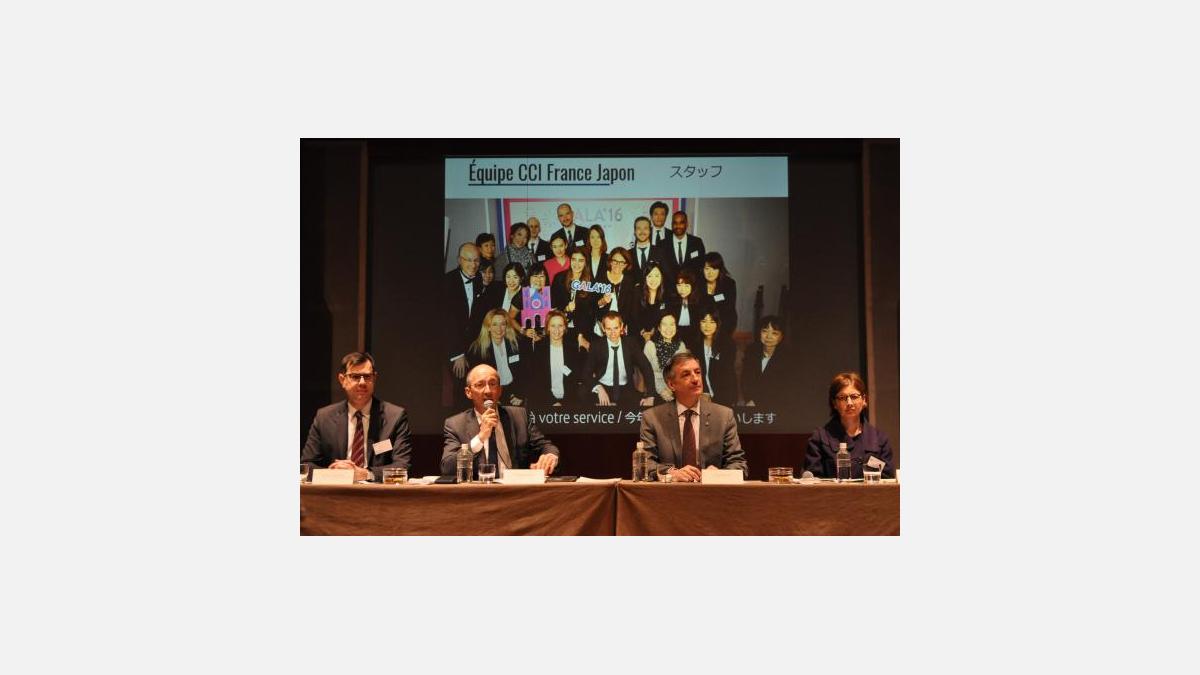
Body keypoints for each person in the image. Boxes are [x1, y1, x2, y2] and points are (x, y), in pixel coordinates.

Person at [302, 352, 413, 482]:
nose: (362, 382)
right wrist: (335, 474)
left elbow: (403, 466)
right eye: (355, 376)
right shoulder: (324, 417)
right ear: (342, 380)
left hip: (377, 491)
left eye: (367, 376)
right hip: (335, 490)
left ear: (374, 378)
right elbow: (306, 465)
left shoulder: (394, 417)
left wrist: (366, 474)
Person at [639, 352, 747, 481]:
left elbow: (739, 465)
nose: (695, 379)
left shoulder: (723, 416)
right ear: (671, 385)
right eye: (686, 374)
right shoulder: (652, 418)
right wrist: (671, 473)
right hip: (670, 491)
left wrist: (718, 474)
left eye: (697, 372)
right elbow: (645, 464)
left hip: (711, 491)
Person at [441, 364, 560, 477]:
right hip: (478, 489)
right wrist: (480, 438)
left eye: (492, 384)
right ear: (468, 392)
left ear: (500, 390)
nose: (488, 391)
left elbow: (545, 446)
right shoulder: (455, 424)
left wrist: (550, 456)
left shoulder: (519, 416)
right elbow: (447, 468)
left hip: (515, 488)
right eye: (480, 385)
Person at [805, 372, 895, 478]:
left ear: (864, 400)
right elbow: (812, 480)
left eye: (854, 396)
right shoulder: (819, 438)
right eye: (842, 398)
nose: (849, 403)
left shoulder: (880, 439)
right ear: (834, 403)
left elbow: (887, 480)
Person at [586, 311, 654, 407]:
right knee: (583, 396)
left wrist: (650, 395)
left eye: (616, 328)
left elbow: (646, 367)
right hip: (603, 386)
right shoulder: (596, 345)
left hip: (626, 388)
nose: (613, 333)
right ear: (603, 328)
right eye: (609, 329)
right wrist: (598, 388)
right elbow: (586, 373)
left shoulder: (631, 343)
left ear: (621, 326)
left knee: (641, 409)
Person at [444, 242, 488, 381]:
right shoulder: (447, 282)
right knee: (460, 386)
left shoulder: (479, 279)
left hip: (474, 346)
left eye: (476, 260)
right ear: (459, 260)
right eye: (468, 260)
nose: (473, 265)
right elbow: (447, 322)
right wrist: (458, 354)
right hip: (455, 347)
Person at [466, 308, 528, 406]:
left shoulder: (517, 344)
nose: (499, 329)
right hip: (491, 394)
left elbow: (525, 372)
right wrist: (490, 399)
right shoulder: (477, 350)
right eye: (494, 324)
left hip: (515, 393)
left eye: (502, 324)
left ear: (507, 326)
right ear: (488, 327)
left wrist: (521, 394)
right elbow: (476, 381)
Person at [526, 310, 585, 406]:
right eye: (553, 326)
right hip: (545, 400)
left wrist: (564, 403)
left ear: (565, 327)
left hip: (568, 401)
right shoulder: (539, 349)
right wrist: (553, 402)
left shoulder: (572, 349)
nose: (557, 330)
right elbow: (538, 381)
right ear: (548, 328)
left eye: (560, 325)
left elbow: (575, 378)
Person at [740, 315, 791, 409]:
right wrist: (750, 400)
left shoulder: (788, 357)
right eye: (765, 331)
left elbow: (782, 388)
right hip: (750, 403)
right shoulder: (751, 351)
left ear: (781, 337)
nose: (768, 336)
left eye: (774, 333)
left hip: (777, 405)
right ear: (759, 333)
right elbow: (746, 380)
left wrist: (757, 401)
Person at [687, 309, 736, 406]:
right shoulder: (695, 344)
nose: (707, 326)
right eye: (704, 321)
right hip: (701, 393)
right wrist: (704, 392)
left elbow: (727, 376)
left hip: (723, 394)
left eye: (712, 322)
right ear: (699, 323)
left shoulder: (727, 344)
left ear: (718, 324)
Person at [551, 249, 594, 352]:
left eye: (581, 260)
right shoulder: (559, 278)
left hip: (583, 330)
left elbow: (590, 313)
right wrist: (566, 308)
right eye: (574, 259)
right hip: (561, 328)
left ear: (586, 263)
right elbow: (553, 306)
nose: (576, 264)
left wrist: (580, 335)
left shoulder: (591, 282)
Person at [593, 246, 639, 339]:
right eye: (615, 261)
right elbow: (592, 305)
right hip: (601, 326)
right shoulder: (600, 278)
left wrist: (622, 327)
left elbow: (631, 309)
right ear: (610, 261)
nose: (618, 265)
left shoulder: (629, 282)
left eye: (622, 262)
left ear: (626, 265)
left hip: (622, 328)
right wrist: (602, 301)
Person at [643, 312, 687, 403]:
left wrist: (673, 389)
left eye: (672, 324)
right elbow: (647, 373)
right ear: (659, 328)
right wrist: (661, 390)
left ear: (676, 327)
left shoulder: (681, 346)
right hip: (654, 389)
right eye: (664, 324)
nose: (668, 328)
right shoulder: (650, 346)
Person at [655, 209, 706, 281]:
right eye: (675, 223)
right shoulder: (662, 244)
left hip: (691, 285)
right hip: (669, 286)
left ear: (687, 224)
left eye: (681, 222)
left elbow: (701, 266)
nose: (678, 226)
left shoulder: (697, 242)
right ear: (671, 225)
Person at [700, 252, 738, 342]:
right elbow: (698, 307)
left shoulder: (729, 284)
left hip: (723, 321)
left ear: (720, 269)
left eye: (714, 268)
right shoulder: (698, 283)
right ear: (702, 269)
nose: (710, 273)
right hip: (703, 322)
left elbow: (729, 307)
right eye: (707, 269)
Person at [508, 263, 553, 338]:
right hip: (526, 337)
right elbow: (510, 318)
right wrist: (524, 332)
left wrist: (543, 335)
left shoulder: (551, 294)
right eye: (535, 276)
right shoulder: (521, 296)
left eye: (541, 276)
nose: (538, 280)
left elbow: (555, 317)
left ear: (546, 278)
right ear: (529, 278)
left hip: (547, 336)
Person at [665, 269, 707, 347]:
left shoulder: (699, 302)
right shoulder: (671, 301)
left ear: (692, 286)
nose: (682, 289)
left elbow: (699, 327)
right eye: (679, 285)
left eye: (686, 286)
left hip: (694, 337)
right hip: (674, 335)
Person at [636, 261, 671, 341]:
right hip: (638, 334)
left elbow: (665, 317)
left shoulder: (666, 294)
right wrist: (643, 332)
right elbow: (633, 316)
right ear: (645, 278)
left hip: (660, 334)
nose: (653, 280)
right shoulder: (637, 291)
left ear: (661, 277)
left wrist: (654, 331)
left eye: (657, 276)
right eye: (650, 276)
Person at [628, 215, 659, 281]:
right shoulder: (628, 254)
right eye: (639, 228)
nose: (642, 232)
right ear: (634, 231)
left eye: (645, 228)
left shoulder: (660, 252)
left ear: (650, 231)